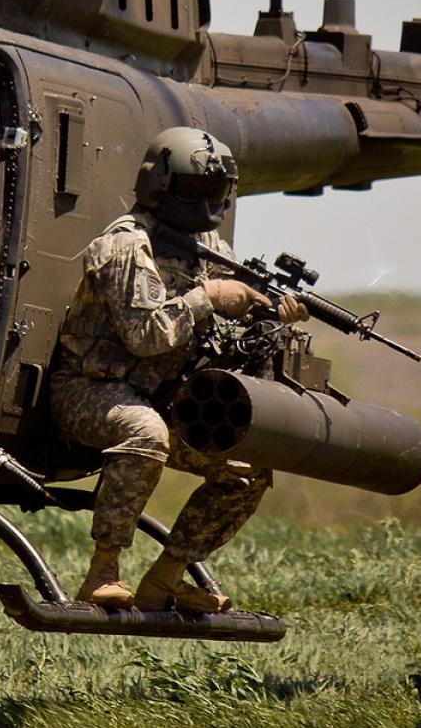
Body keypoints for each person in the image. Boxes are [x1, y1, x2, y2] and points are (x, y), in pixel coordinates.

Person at [49, 127, 306, 612]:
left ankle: (167, 576)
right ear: (160, 185)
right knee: (145, 432)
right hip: (88, 388)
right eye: (192, 190)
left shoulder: (209, 247)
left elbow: (228, 311)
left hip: (162, 395)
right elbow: (147, 336)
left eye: (213, 192)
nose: (203, 202)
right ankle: (103, 570)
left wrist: (266, 311)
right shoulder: (127, 245)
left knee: (248, 465)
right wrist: (208, 298)